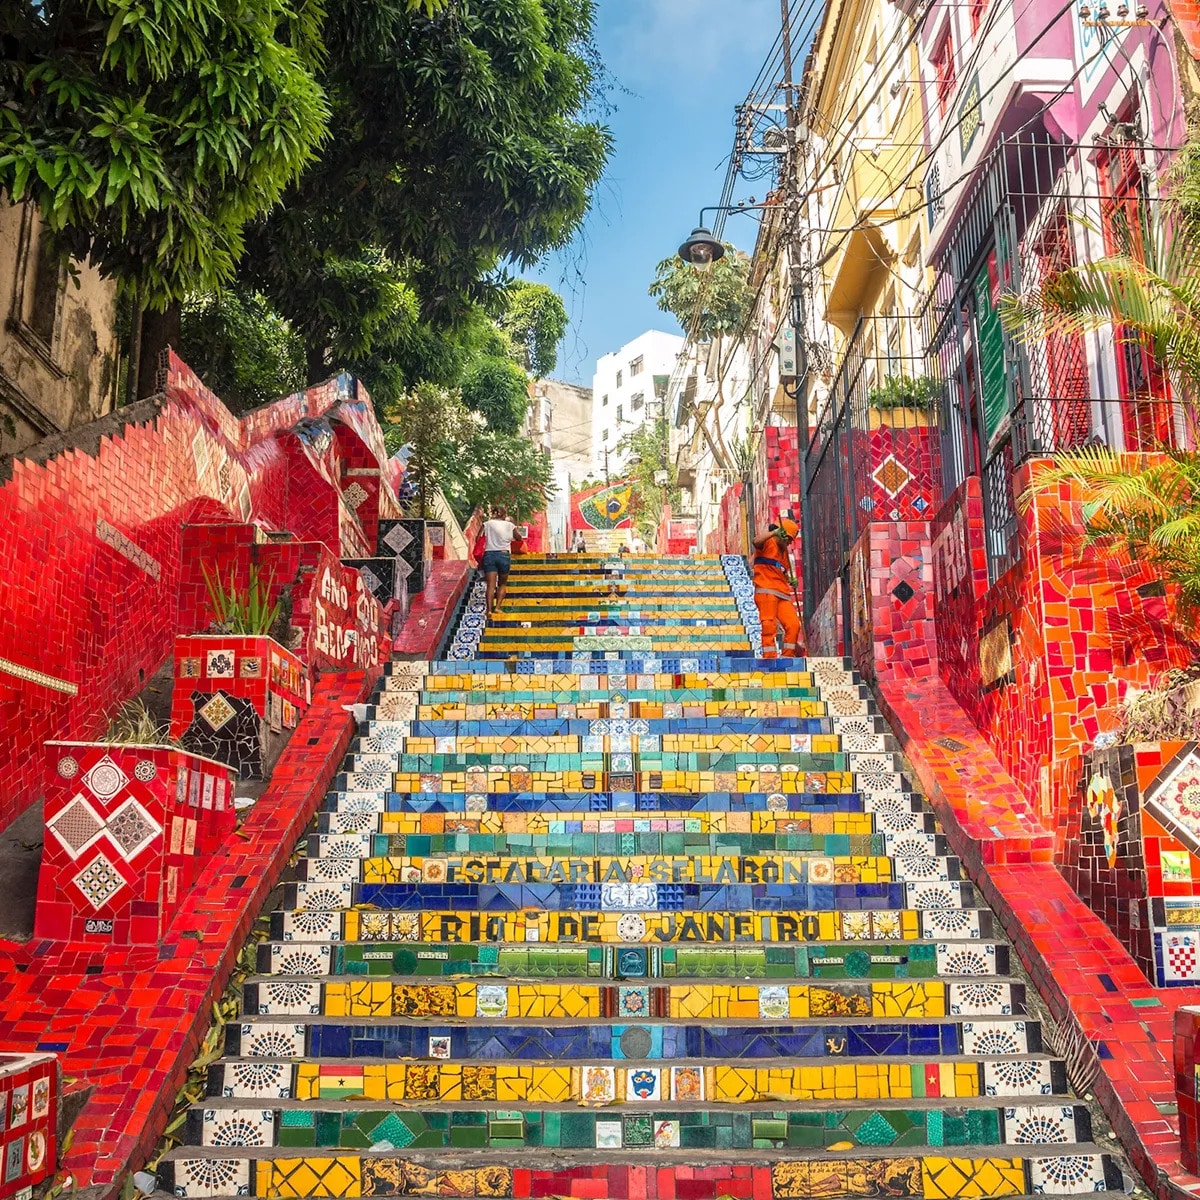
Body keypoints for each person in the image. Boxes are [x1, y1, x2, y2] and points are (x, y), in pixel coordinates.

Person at [752, 517, 801, 659]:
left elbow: (781, 570)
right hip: (766, 590)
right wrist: (774, 533)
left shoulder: (784, 553)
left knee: (793, 625)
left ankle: (787, 658)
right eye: (788, 539)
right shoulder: (767, 542)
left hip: (782, 593)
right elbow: (756, 541)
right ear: (781, 534)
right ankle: (769, 657)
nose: (789, 543)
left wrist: (790, 580)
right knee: (769, 625)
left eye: (791, 540)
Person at [480, 506, 516, 614]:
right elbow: (518, 537)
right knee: (502, 584)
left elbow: (478, 538)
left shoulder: (487, 524)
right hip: (503, 555)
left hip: (489, 554)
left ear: (493, 513)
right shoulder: (510, 525)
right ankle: (497, 608)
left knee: (490, 585)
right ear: (504, 514)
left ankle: (489, 610)